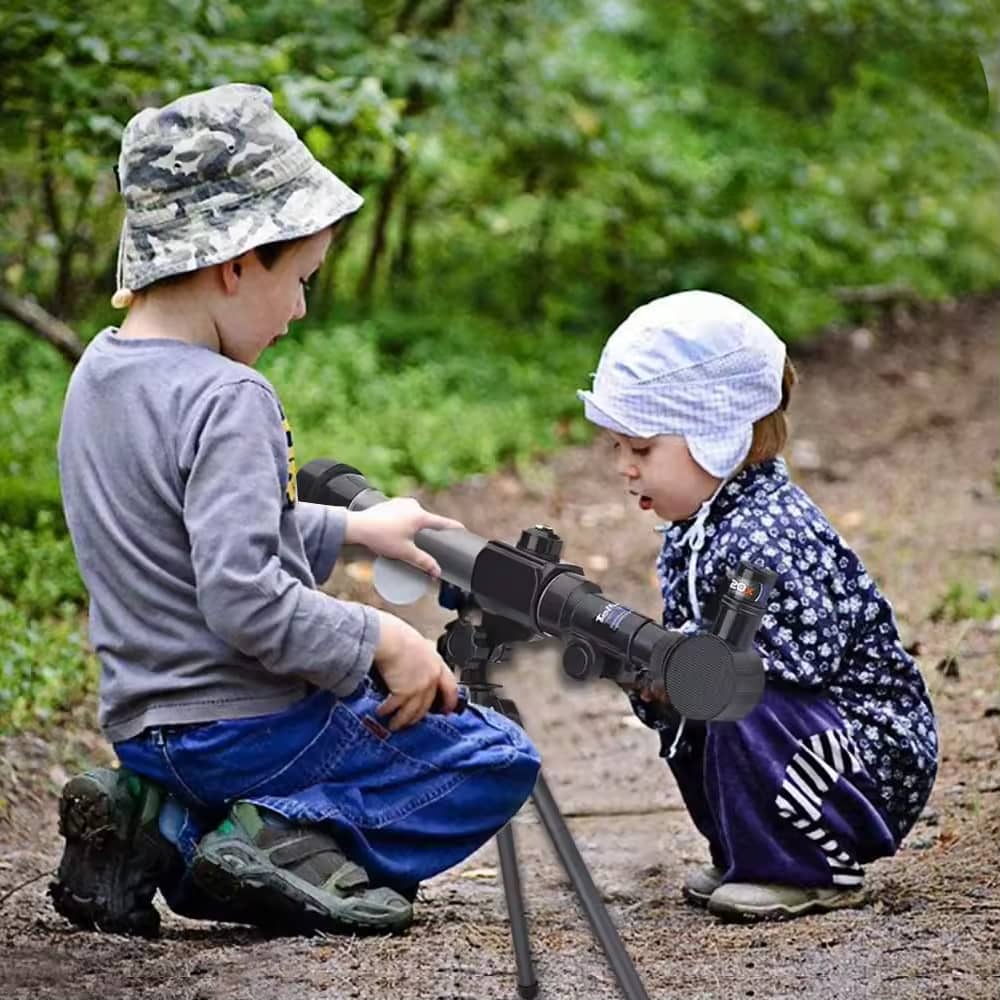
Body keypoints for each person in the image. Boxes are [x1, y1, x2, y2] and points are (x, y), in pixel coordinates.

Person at [51, 83, 540, 939]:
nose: (302, 309)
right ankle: (283, 843)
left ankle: (153, 822)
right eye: (302, 280)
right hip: (246, 727)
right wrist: (385, 639)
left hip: (144, 726)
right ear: (236, 264)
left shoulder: (100, 373)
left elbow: (185, 536)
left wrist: (351, 528)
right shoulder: (229, 396)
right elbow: (242, 598)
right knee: (498, 758)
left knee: (254, 760)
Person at [576, 290, 937, 921]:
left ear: (716, 437)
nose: (624, 470)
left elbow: (782, 663)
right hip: (810, 740)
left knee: (733, 686)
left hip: (863, 753)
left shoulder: (762, 537)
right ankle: (754, 848)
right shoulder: (701, 527)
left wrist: (680, 662)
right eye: (617, 449)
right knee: (696, 694)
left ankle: (807, 862)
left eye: (641, 450)